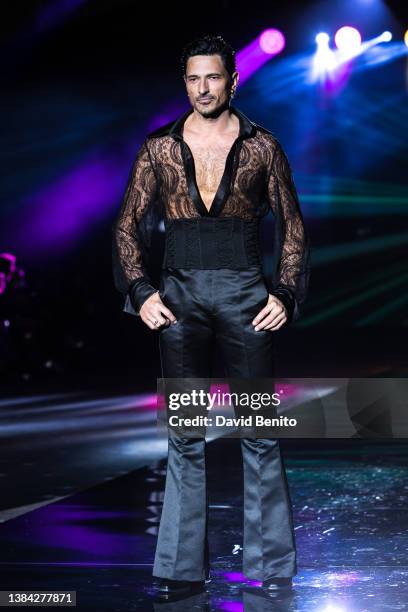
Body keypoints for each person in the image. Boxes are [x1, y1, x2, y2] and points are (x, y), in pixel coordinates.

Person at [112, 34, 310, 598]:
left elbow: (293, 225)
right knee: (184, 433)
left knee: (260, 431)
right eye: (194, 78)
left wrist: (286, 294)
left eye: (213, 77)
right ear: (186, 83)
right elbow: (126, 225)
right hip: (178, 300)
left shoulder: (261, 146)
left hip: (247, 296)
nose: (203, 88)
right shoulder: (159, 148)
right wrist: (141, 290)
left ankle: (272, 567)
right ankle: (179, 571)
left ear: (232, 80)